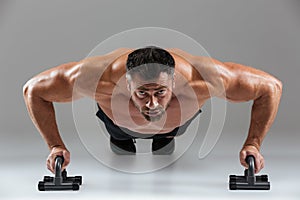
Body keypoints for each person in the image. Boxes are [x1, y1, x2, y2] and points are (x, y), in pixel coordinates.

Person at [23, 46, 282, 174]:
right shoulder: (95, 79)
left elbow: (270, 87)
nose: (152, 103)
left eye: (160, 92)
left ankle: (164, 137)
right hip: (119, 122)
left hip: (175, 125)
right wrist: (55, 146)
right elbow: (33, 90)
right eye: (142, 93)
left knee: (167, 129)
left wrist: (254, 144)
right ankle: (121, 136)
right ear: (127, 83)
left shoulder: (203, 79)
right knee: (122, 136)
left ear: (174, 82)